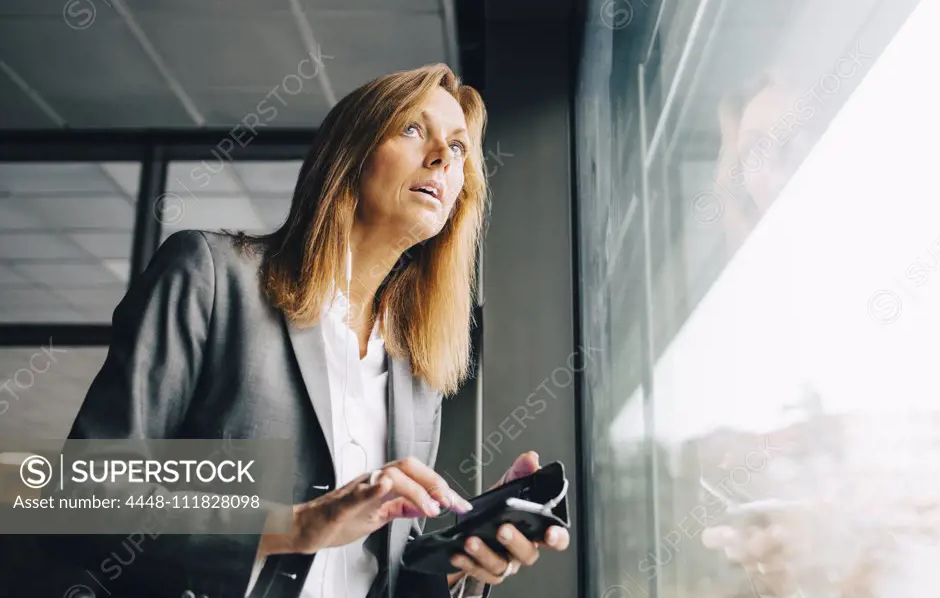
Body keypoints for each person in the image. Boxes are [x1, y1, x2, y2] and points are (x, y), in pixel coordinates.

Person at [36, 64, 570, 598]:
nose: (441, 158)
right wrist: (293, 525)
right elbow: (85, 493)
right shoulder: (214, 277)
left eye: (457, 148)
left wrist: (461, 558)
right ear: (350, 153)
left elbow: (376, 573)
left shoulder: (416, 362)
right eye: (412, 129)